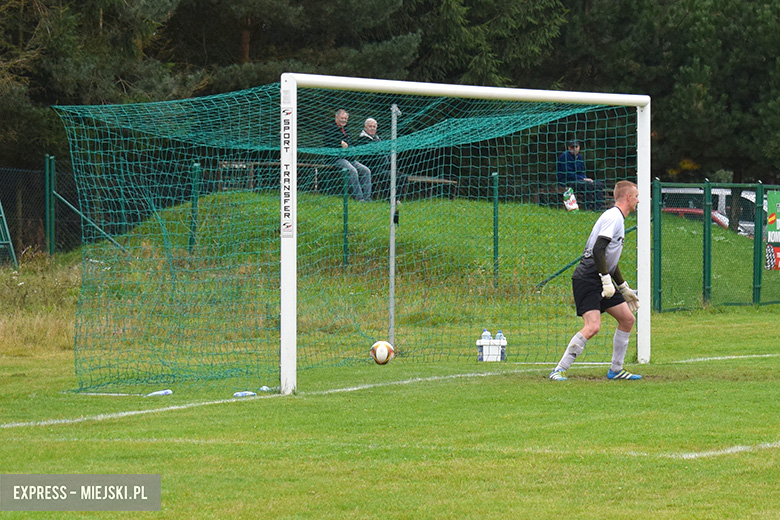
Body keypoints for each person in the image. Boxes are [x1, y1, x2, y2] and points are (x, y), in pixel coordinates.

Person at [549, 180, 642, 381]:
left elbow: (609, 259)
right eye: (636, 196)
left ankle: (616, 370)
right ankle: (559, 369)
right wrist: (606, 281)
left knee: (627, 319)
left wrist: (623, 287)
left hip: (600, 277)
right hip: (589, 278)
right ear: (628, 197)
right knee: (593, 326)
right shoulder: (613, 217)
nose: (637, 200)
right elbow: (598, 249)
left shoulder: (618, 218)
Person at [323, 109, 371, 201]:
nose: (344, 120)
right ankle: (359, 199)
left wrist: (348, 147)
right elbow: (328, 144)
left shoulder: (346, 130)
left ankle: (367, 199)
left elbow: (351, 144)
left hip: (349, 159)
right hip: (336, 159)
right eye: (342, 118)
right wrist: (340, 144)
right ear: (336, 117)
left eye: (345, 118)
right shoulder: (329, 129)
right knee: (352, 170)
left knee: (366, 171)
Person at [358, 118, 407, 201]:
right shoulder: (362, 139)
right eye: (370, 126)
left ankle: (397, 198)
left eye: (374, 126)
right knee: (390, 176)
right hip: (372, 167)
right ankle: (392, 199)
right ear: (365, 127)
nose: (372, 128)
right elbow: (371, 155)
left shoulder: (378, 138)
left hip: (383, 167)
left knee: (402, 176)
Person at [556, 140, 605, 211]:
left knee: (598, 184)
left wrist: (585, 178)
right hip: (567, 181)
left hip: (579, 180)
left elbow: (581, 172)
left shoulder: (579, 157)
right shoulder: (564, 157)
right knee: (587, 185)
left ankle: (597, 208)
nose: (575, 149)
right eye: (572, 147)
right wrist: (583, 179)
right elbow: (568, 173)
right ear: (569, 148)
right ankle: (587, 207)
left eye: (576, 147)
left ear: (579, 147)